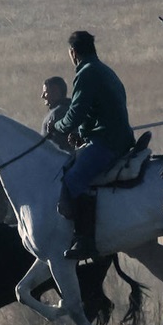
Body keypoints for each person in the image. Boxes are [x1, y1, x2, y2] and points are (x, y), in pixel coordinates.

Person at [54, 31, 135, 260]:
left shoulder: (86, 73)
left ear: (73, 52)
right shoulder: (104, 70)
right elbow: (93, 112)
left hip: (107, 142)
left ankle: (85, 240)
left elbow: (76, 112)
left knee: (73, 178)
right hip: (113, 137)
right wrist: (82, 134)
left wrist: (58, 126)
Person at [40, 76, 73, 151]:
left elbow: (58, 144)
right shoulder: (67, 110)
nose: (42, 96)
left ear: (56, 92)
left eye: (45, 92)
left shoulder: (58, 113)